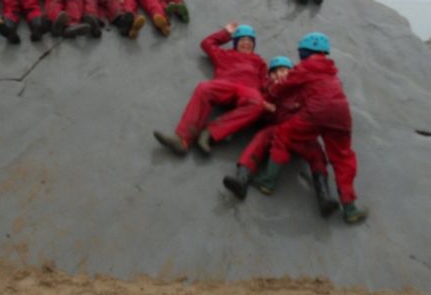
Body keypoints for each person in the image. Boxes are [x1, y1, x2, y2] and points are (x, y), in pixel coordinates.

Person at [258, 32, 368, 224]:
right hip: (342, 115)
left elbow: (283, 86)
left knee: (283, 134)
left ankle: (267, 181)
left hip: (317, 112)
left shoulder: (305, 67)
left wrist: (270, 94)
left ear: (304, 52)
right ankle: (350, 208)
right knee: (343, 158)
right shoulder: (332, 73)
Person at [223, 55, 339, 218]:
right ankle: (242, 179)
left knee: (317, 154)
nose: (281, 74)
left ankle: (324, 196)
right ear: (271, 75)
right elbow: (258, 107)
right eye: (277, 72)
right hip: (279, 132)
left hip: (302, 135)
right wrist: (266, 107)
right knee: (260, 139)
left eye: (285, 71)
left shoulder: (301, 89)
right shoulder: (269, 91)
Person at [153, 24, 274, 155]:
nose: (246, 43)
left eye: (250, 40)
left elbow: (265, 84)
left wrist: (267, 101)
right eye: (242, 40)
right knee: (204, 88)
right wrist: (226, 32)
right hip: (226, 85)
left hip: (248, 91)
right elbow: (207, 44)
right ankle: (182, 140)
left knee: (258, 104)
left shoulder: (259, 61)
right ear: (236, 43)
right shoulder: (224, 54)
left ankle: (209, 133)